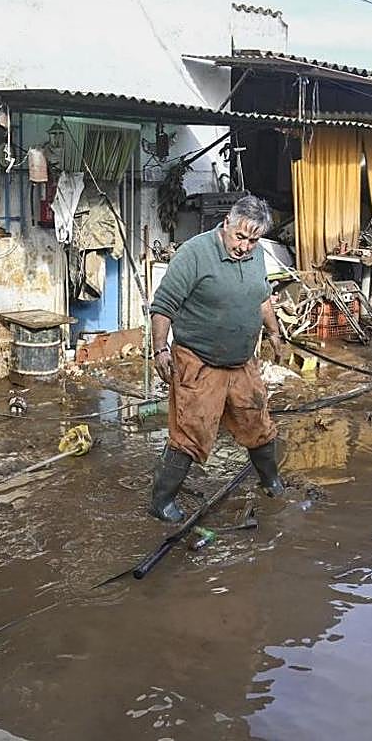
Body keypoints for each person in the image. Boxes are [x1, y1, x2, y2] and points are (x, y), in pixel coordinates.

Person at [147, 193, 285, 522]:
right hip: (199, 360)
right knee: (191, 431)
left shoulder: (255, 255)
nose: (245, 246)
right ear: (226, 225)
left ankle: (272, 481)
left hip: (241, 362)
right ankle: (161, 501)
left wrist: (275, 332)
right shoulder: (194, 253)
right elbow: (163, 305)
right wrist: (160, 349)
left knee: (258, 423)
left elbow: (262, 296)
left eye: (253, 240)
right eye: (240, 237)